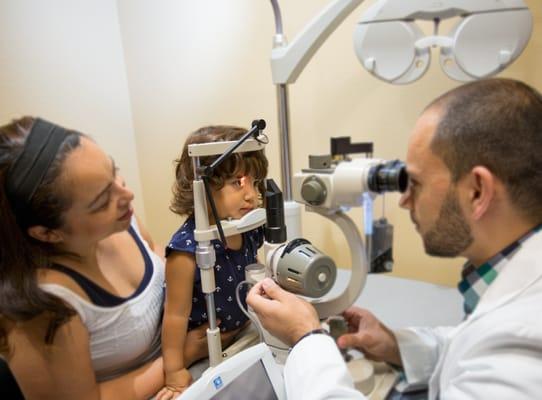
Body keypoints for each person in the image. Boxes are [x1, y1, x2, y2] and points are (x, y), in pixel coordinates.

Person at [247, 78, 542, 399]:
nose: (403, 200)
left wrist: (305, 339)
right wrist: (396, 346)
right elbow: (472, 349)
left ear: (477, 191)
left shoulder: (523, 345)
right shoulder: (512, 284)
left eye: (415, 182)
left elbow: (497, 353)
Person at [0, 117, 237, 400]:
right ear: (48, 233)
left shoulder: (119, 219)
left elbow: (158, 255)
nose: (126, 193)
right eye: (102, 200)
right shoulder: (42, 303)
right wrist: (180, 356)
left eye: (115, 173)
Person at [157, 125, 268, 399]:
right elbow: (174, 316)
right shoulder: (186, 250)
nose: (251, 195)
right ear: (202, 186)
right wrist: (173, 372)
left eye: (255, 183)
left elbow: (251, 271)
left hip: (245, 335)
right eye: (238, 183)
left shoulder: (245, 227)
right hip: (206, 349)